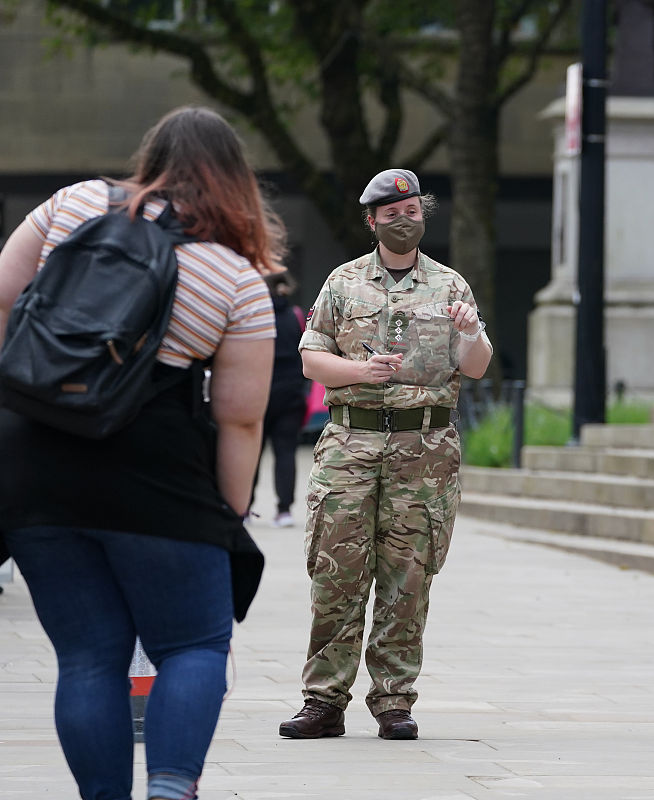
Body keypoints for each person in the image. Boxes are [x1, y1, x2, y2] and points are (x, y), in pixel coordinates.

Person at [0, 106, 283, 800]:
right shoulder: (235, 278)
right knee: (193, 645)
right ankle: (170, 788)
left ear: (151, 156)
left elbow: (3, 297)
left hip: (35, 462)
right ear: (236, 181)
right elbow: (241, 418)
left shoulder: (73, 204)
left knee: (87, 657)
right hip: (155, 469)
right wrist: (230, 513)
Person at [278, 168, 492, 741]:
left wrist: (471, 331)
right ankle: (324, 700)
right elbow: (311, 360)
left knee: (408, 577)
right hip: (351, 445)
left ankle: (394, 701)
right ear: (371, 221)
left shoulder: (450, 286)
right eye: (391, 214)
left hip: (425, 452)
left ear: (423, 215)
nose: (404, 220)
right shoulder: (343, 282)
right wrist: (359, 371)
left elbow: (476, 365)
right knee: (336, 573)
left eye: (412, 211)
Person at [255, 270, 308, 528]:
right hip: (291, 396)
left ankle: (244, 508)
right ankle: (284, 511)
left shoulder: (255, 316)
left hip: (259, 394)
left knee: (251, 451)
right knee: (286, 452)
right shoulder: (296, 315)